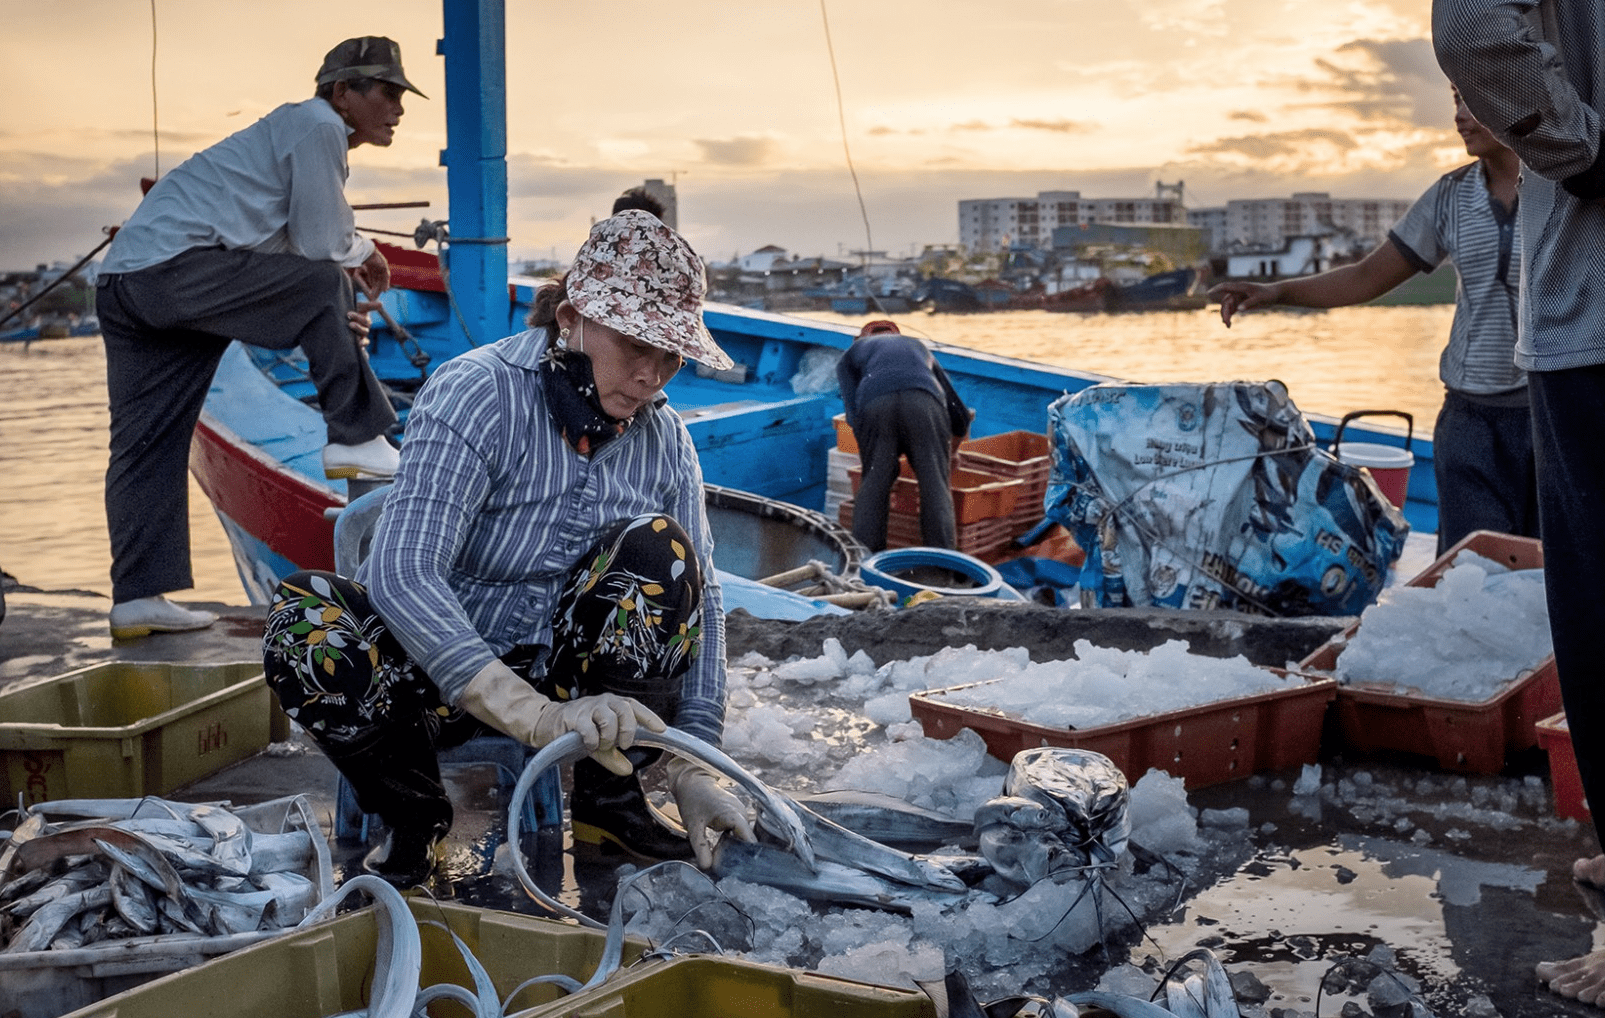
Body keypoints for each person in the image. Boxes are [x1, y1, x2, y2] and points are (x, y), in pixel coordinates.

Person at [261, 209, 756, 888]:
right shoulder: (479, 392)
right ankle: (414, 816)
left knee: (662, 551)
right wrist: (530, 713)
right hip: (427, 679)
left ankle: (610, 804)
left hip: (563, 673)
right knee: (304, 618)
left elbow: (707, 605)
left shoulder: (665, 439)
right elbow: (403, 572)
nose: (652, 374)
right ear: (572, 318)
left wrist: (697, 764)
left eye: (669, 354)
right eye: (635, 345)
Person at [95, 36, 419, 640]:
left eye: (403, 95)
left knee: (146, 444)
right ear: (343, 92)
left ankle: (135, 598)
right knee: (326, 282)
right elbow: (324, 247)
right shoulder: (318, 125)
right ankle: (356, 436)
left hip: (127, 282)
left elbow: (288, 248)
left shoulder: (288, 134)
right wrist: (362, 255)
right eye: (388, 91)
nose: (399, 107)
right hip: (173, 274)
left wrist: (332, 309)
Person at [1433, 0, 1605, 1006]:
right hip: (1499, 396)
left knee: (1596, 626)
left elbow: (1472, 27)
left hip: (1593, 334)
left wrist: (1586, 155)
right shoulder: (1449, 199)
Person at [1208, 89, 1532, 556]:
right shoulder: (1451, 195)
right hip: (1470, 419)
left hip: (1551, 409)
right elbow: (1366, 276)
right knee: (1473, 572)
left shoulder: (1561, 190)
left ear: (1511, 98)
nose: (1459, 116)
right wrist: (1276, 291)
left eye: (1472, 101)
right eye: (1454, 100)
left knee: (1557, 573)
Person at [836, 320, 971, 552]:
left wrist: (876, 461)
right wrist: (950, 455)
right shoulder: (917, 347)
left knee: (874, 483)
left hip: (875, 403)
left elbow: (854, 416)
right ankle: (942, 566)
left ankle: (866, 563)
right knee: (935, 483)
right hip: (925, 403)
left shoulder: (849, 356)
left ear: (860, 339)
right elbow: (960, 414)